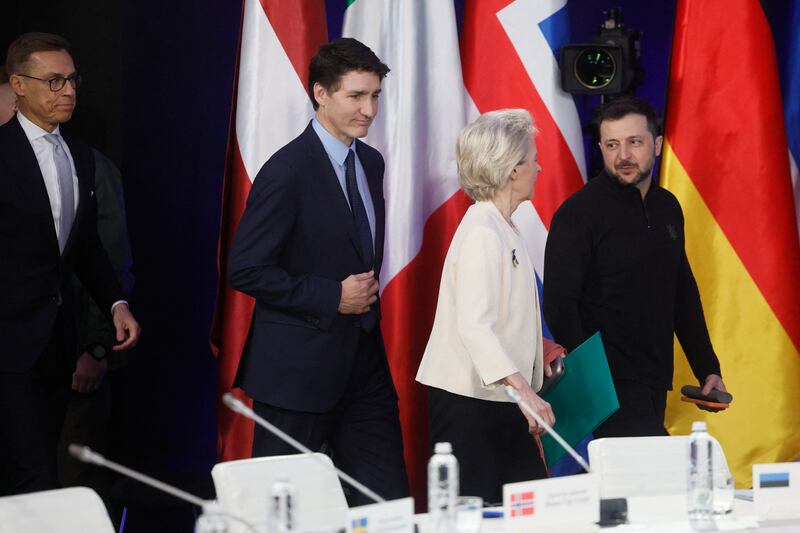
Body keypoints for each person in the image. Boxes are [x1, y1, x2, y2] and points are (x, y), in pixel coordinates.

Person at [228, 37, 407, 505]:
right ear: (320, 93)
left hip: (364, 367)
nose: (368, 110)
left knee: (386, 505)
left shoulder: (370, 162)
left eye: (375, 96)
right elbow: (245, 269)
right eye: (356, 96)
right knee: (284, 514)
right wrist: (332, 296)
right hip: (296, 375)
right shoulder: (286, 171)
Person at [0, 32, 140, 495]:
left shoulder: (79, 155)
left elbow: (84, 248)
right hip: (9, 348)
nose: (69, 92)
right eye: (55, 81)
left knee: (53, 476)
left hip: (57, 346)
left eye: (72, 80)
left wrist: (115, 304)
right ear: (18, 85)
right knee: (32, 475)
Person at [543, 95, 727, 439]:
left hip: (655, 381)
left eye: (634, 142)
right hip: (610, 386)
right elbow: (558, 304)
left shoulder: (668, 207)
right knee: (652, 480)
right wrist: (595, 381)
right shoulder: (577, 215)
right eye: (612, 144)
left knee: (643, 487)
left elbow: (682, 294)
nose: (623, 155)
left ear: (656, 145)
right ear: (600, 146)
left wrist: (708, 369)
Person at [416, 109, 555, 505]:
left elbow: (502, 317)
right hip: (469, 406)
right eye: (531, 159)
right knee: (474, 516)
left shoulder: (501, 225)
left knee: (526, 509)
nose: (540, 167)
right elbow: (475, 325)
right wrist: (525, 389)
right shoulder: (481, 231)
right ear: (512, 170)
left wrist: (532, 356)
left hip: (499, 399)